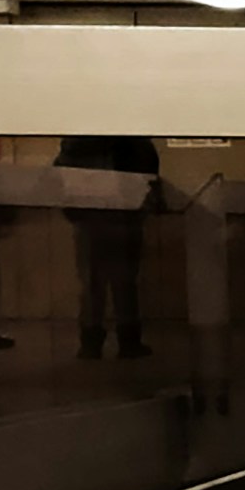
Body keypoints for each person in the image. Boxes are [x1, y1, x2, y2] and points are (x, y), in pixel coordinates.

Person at [53, 136, 159, 359]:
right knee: (125, 282)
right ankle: (128, 341)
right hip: (123, 215)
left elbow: (57, 177)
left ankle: (91, 342)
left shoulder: (76, 144)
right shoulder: (133, 142)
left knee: (92, 282)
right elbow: (149, 174)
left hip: (87, 216)